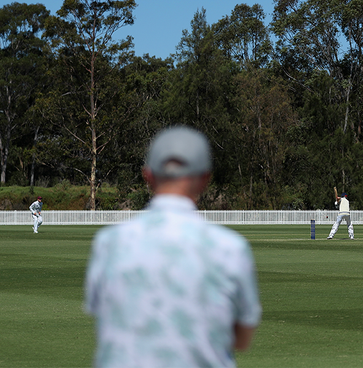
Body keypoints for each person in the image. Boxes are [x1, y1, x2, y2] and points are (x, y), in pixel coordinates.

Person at [85, 126, 262, 368]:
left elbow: (106, 318)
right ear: (204, 179)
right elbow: (242, 338)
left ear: (148, 176)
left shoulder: (109, 243)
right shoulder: (230, 248)